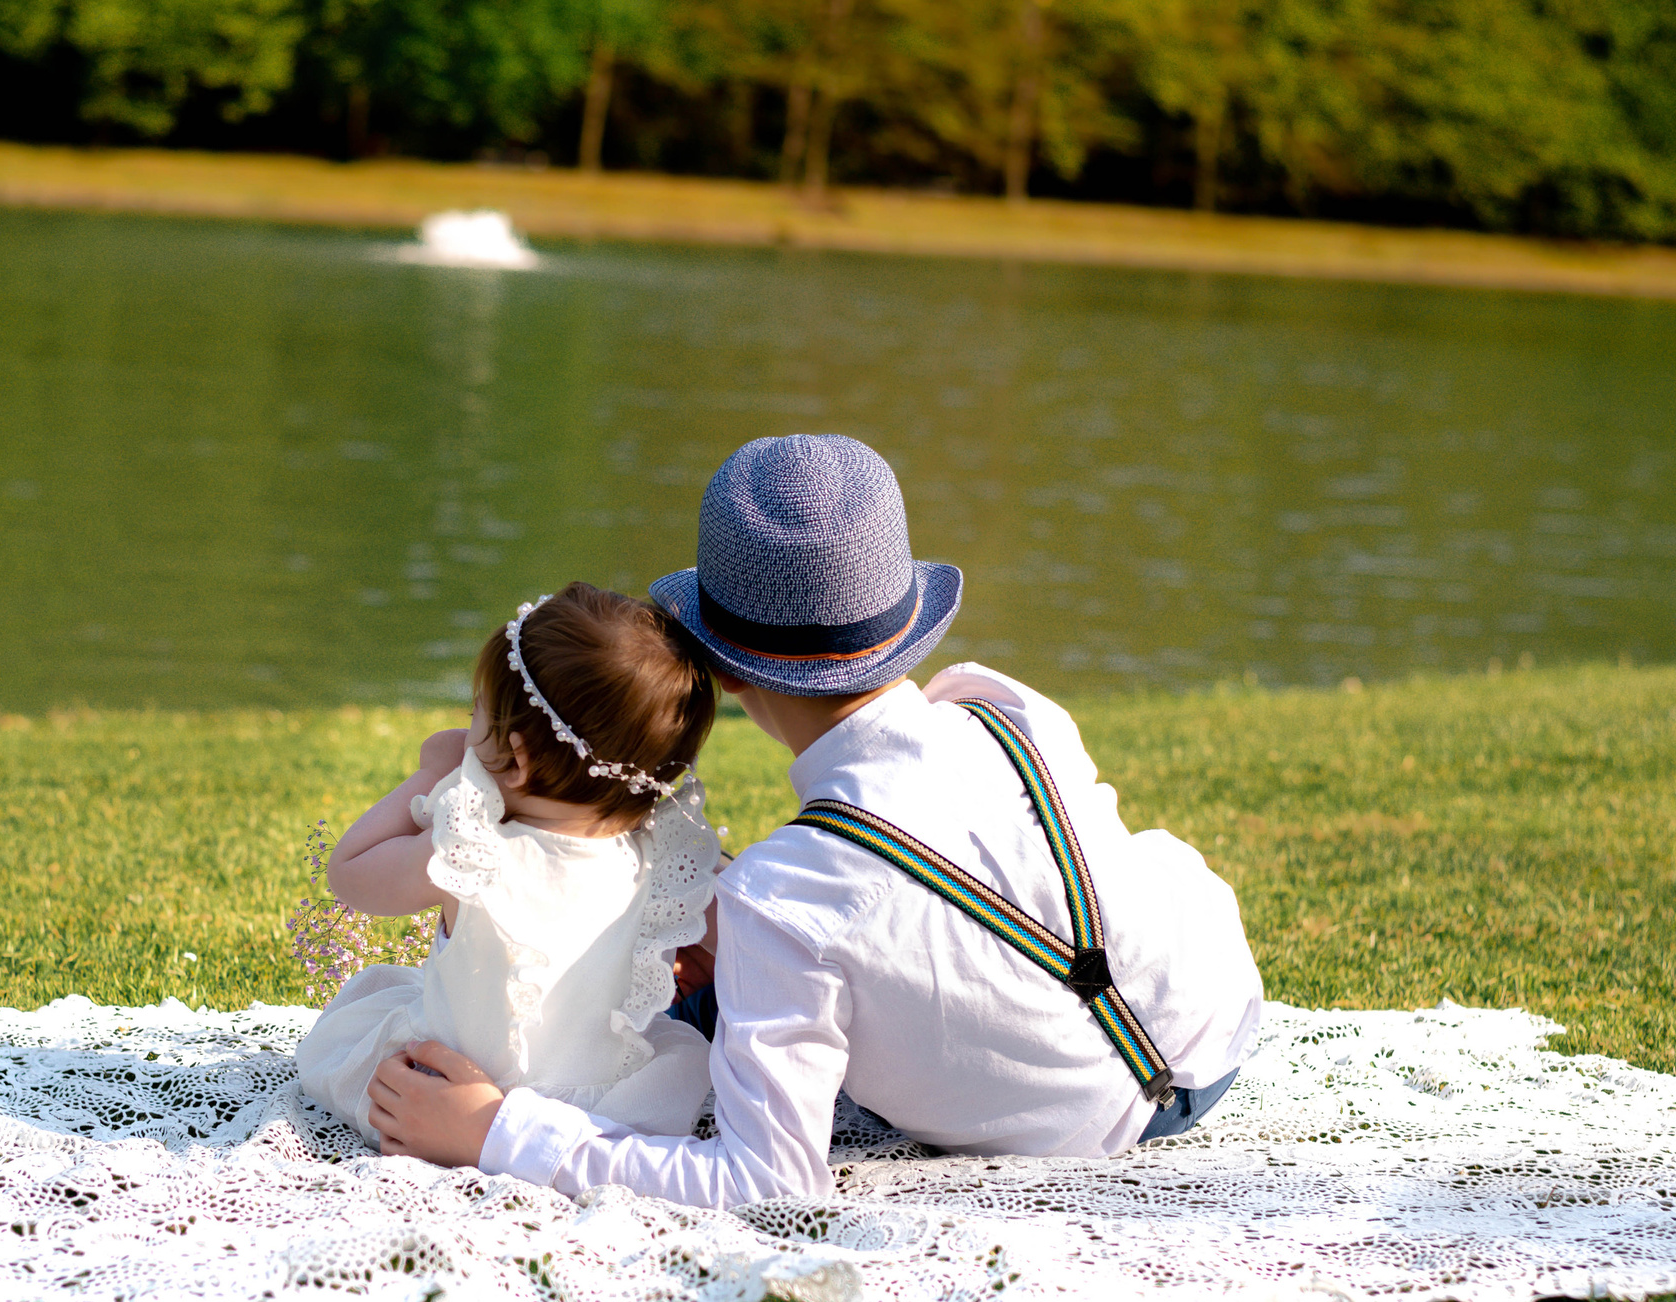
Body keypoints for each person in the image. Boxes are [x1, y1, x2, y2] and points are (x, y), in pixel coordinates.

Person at [365, 434, 1265, 1206]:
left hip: (1076, 1115)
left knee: (684, 992)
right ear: (904, 619)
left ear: (726, 673)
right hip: (1211, 1014)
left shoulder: (783, 895)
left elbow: (765, 1181)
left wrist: (496, 1132)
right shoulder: (999, 709)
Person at [299, 582, 725, 1147]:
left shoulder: (469, 849)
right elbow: (756, 941)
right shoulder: (662, 859)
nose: (467, 730)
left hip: (437, 1095)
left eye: (477, 715)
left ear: (517, 759)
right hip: (604, 1111)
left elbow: (350, 872)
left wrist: (429, 780)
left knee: (365, 1015)